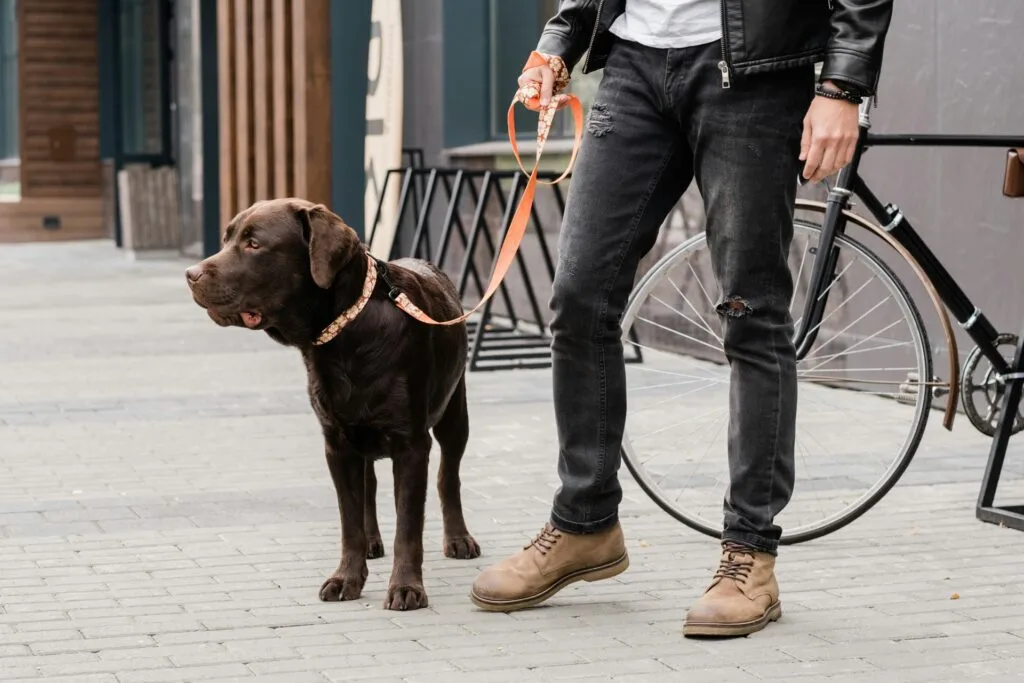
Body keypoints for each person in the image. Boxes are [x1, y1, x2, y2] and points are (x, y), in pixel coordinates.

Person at [470, 0, 894, 636]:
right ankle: (585, 522)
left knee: (750, 312)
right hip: (634, 65)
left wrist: (843, 84)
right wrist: (562, 38)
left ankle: (750, 553)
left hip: (752, 70)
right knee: (580, 296)